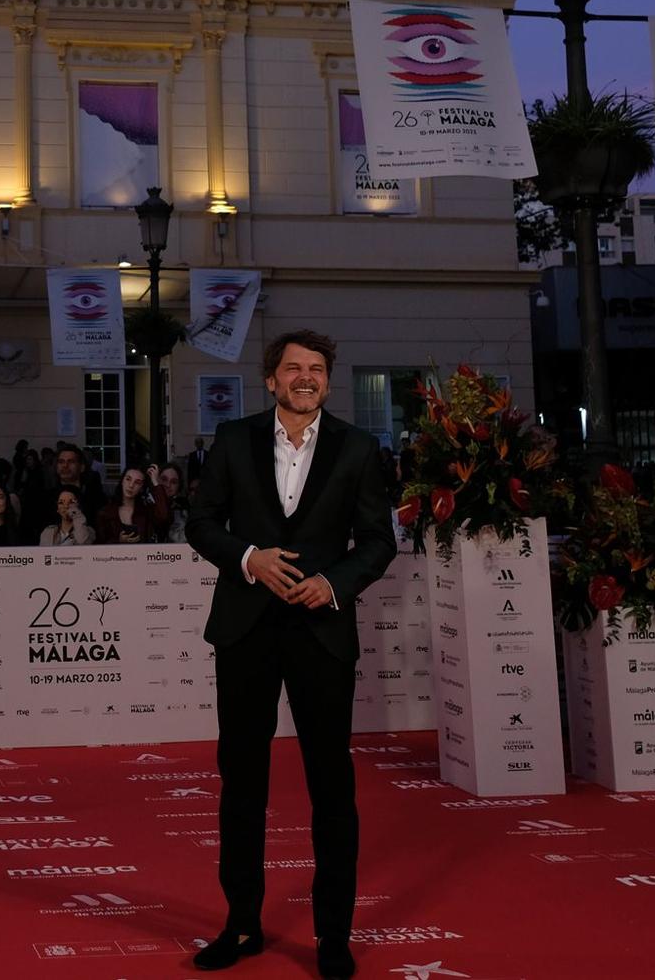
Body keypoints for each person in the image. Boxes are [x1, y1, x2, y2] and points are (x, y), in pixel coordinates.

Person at [185, 329, 396, 979]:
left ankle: (334, 934)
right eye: (293, 368)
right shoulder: (232, 439)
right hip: (246, 628)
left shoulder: (359, 449)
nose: (306, 377)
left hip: (321, 632)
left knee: (331, 786)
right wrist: (249, 558)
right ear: (271, 379)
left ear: (327, 381)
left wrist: (332, 582)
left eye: (317, 369)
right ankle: (242, 921)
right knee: (241, 782)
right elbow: (200, 521)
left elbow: (376, 541)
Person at [23, 443, 106, 541]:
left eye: (71, 462)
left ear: (82, 467)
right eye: (61, 462)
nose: (65, 465)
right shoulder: (43, 499)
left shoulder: (95, 499)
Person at [97, 466, 170, 545]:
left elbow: (163, 516)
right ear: (122, 481)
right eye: (128, 479)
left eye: (137, 482)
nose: (131, 485)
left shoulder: (146, 511)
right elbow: (99, 544)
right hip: (115, 556)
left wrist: (155, 482)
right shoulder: (106, 512)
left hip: (142, 555)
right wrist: (118, 541)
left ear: (142, 488)